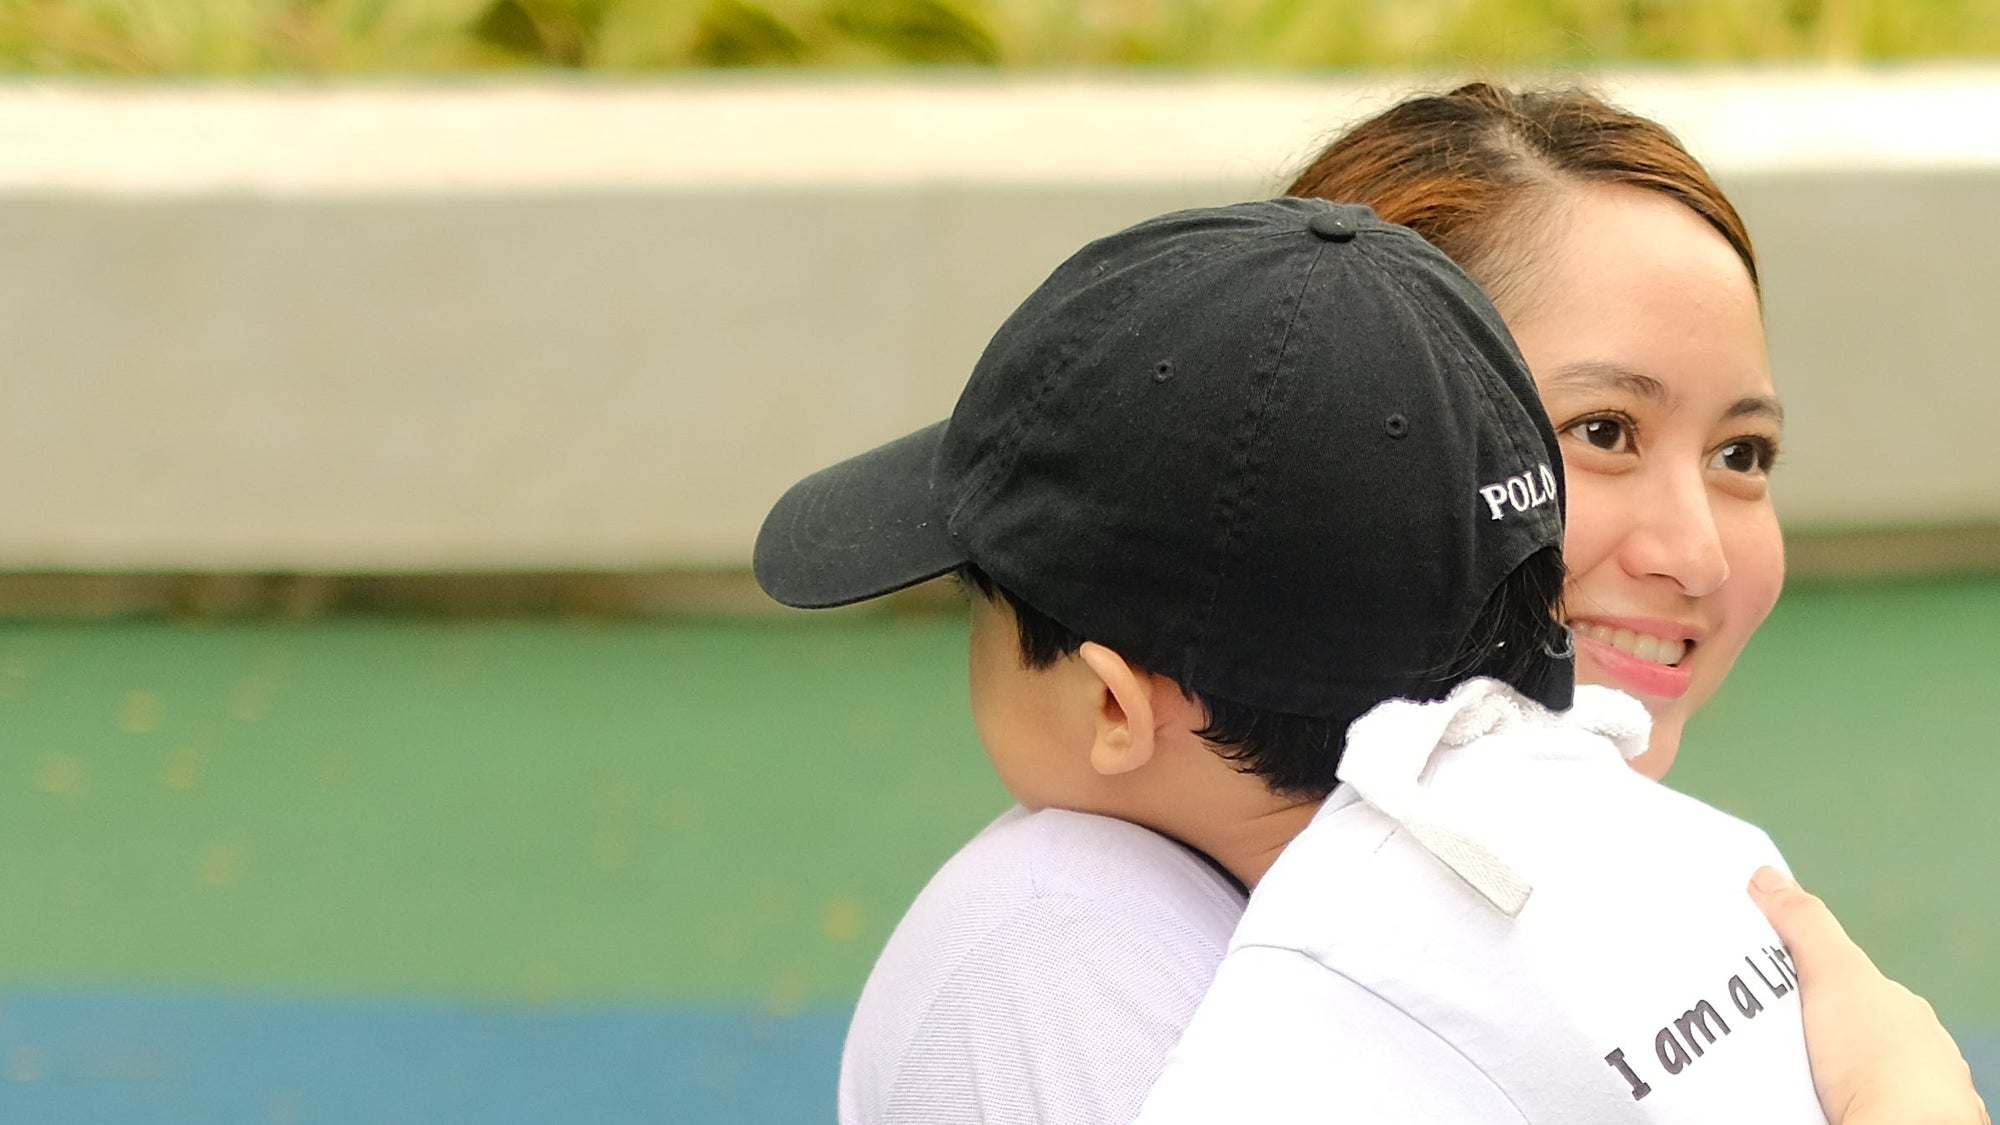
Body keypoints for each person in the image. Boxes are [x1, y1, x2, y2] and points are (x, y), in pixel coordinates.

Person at [792, 83, 1983, 1124]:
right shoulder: (1066, 945)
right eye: (1599, 433)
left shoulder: (1618, 890)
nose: (1698, 556)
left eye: (1741, 453)